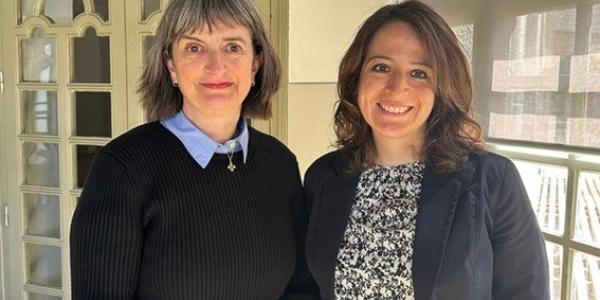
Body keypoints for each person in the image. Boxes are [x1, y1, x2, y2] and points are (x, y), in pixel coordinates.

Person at [303, 1, 550, 299]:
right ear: (357, 79)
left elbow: (525, 293)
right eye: (381, 67)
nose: (396, 88)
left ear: (442, 87)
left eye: (419, 73)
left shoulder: (492, 180)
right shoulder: (323, 177)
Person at [70, 0, 315, 298]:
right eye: (194, 48)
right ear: (170, 65)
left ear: (256, 64)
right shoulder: (122, 169)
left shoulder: (280, 165)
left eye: (233, 47)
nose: (216, 65)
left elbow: (301, 289)